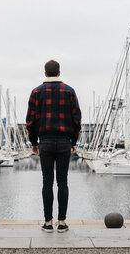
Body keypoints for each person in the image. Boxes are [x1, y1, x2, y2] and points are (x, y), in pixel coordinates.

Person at [26, 60, 81, 233]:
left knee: (47, 182)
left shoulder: (36, 92)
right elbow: (77, 120)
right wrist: (73, 142)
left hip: (46, 142)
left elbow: (31, 121)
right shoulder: (69, 91)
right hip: (64, 142)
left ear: (45, 73)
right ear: (58, 73)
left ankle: (48, 223)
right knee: (63, 182)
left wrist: (34, 143)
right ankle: (62, 222)